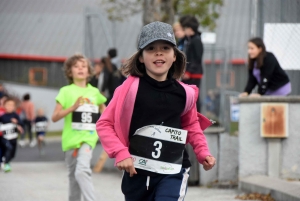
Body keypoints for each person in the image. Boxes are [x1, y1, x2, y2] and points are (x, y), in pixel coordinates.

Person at [96, 21, 216, 201]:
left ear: (175, 55)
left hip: (173, 170)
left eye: (165, 48)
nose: (159, 52)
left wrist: (202, 151)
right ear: (141, 57)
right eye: (151, 48)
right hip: (136, 172)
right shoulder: (128, 90)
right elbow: (104, 124)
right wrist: (120, 152)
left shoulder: (185, 94)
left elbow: (191, 124)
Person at [51, 53, 107, 201]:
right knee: (73, 179)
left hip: (88, 138)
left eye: (83, 66)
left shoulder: (94, 92)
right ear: (70, 72)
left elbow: (106, 112)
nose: (80, 69)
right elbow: (54, 117)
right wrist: (72, 107)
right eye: (76, 66)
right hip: (70, 141)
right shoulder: (65, 91)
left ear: (89, 71)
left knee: (81, 171)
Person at [181, 16, 204, 111]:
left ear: (190, 29)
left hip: (194, 74)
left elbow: (197, 59)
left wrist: (189, 72)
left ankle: (196, 117)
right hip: (189, 73)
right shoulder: (189, 40)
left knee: (194, 97)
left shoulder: (196, 40)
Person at [0, 98, 23, 172]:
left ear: (14, 107)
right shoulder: (2, 117)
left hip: (13, 137)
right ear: (4, 106)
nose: (10, 107)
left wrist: (18, 125)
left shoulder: (16, 116)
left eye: (12, 105)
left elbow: (21, 124)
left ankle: (7, 160)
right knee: (8, 148)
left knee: (12, 154)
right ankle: (6, 164)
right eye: (8, 105)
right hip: (5, 137)